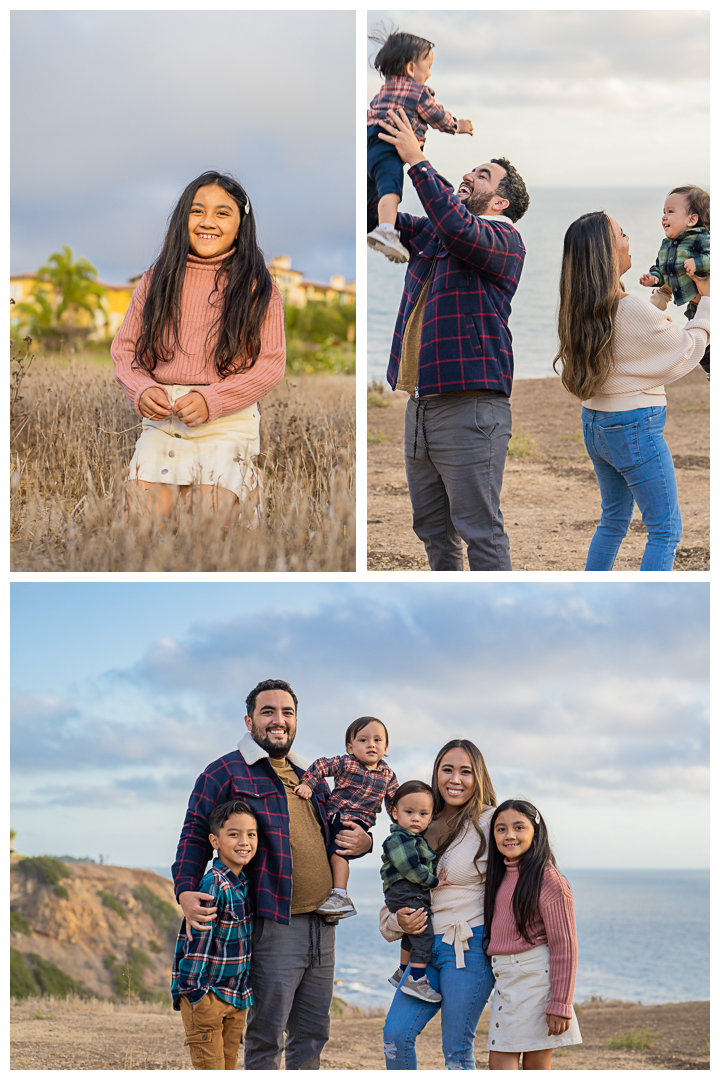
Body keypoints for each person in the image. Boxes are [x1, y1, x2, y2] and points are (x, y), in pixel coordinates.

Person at [172, 678, 372, 1070]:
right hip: (273, 922)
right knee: (267, 1035)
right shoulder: (226, 770)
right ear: (249, 721)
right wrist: (184, 891)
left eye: (287, 712)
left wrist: (363, 842)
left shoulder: (309, 775)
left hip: (323, 921)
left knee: (313, 1033)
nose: (279, 720)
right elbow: (195, 831)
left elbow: (332, 833)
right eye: (268, 711)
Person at [370, 108, 529, 571]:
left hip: (472, 408)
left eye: (483, 176)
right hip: (421, 405)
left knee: (480, 531)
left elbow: (457, 226)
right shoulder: (436, 235)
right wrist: (379, 159)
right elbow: (377, 218)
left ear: (500, 202)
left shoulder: (503, 241)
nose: (469, 175)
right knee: (434, 532)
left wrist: (418, 159)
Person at [111, 170, 286, 524]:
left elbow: (270, 365)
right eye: (196, 210)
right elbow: (125, 351)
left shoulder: (257, 286)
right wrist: (142, 389)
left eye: (223, 213)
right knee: (140, 531)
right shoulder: (156, 278)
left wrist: (212, 400)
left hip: (227, 419)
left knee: (208, 529)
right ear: (182, 219)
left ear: (241, 224)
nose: (208, 222)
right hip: (163, 421)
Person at [553, 211, 710, 571]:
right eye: (622, 234)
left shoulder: (580, 307)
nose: (628, 240)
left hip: (596, 424)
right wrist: (708, 300)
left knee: (612, 524)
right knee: (665, 529)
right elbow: (686, 349)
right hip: (635, 426)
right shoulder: (629, 307)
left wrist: (660, 299)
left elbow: (627, 337)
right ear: (607, 251)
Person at [379, 739, 497, 1069]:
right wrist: (396, 922)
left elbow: (514, 884)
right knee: (395, 1036)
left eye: (466, 771)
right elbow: (395, 888)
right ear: (436, 773)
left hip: (467, 947)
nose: (455, 779)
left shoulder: (490, 822)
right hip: (423, 947)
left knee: (457, 1051)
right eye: (447, 769)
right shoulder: (418, 823)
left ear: (479, 777)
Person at [483, 799, 582, 1070]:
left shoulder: (548, 879)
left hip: (535, 981)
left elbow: (565, 946)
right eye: (501, 829)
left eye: (519, 827)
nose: (509, 835)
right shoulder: (500, 874)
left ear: (535, 832)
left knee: (527, 1066)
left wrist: (560, 1003)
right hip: (507, 980)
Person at [367, 27, 473, 263]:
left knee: (372, 187)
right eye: (429, 68)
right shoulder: (418, 92)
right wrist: (458, 126)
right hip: (387, 145)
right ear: (411, 68)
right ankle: (386, 230)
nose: (430, 75)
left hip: (370, 141)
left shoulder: (384, 90)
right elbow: (437, 117)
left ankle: (378, 225)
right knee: (391, 187)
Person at [172, 799, 257, 1070]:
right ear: (215, 841)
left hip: (235, 997)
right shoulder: (213, 885)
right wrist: (197, 995)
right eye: (234, 834)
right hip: (208, 998)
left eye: (251, 834)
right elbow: (198, 943)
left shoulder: (243, 884)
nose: (244, 841)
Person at [295, 716, 398, 920]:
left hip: (358, 822)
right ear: (350, 747)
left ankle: (340, 894)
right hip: (337, 815)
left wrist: (402, 820)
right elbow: (322, 765)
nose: (371, 744)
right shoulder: (346, 763)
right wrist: (308, 783)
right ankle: (330, 894)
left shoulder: (388, 775)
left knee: (338, 852)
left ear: (386, 748)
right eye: (363, 740)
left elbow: (395, 802)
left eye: (377, 740)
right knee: (329, 851)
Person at [381, 781, 450, 1004]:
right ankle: (416, 978)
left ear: (431, 817)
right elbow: (410, 868)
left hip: (405, 892)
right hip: (406, 891)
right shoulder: (398, 839)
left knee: (411, 935)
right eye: (408, 812)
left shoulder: (416, 840)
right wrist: (434, 881)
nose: (415, 818)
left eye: (423, 814)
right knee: (423, 933)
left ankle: (402, 970)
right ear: (394, 812)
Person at [640, 185, 710, 377]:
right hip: (694, 306)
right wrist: (654, 277)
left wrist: (698, 263)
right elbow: (660, 268)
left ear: (692, 219)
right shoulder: (666, 245)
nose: (664, 217)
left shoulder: (701, 238)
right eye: (663, 212)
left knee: (705, 343)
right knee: (701, 349)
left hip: (709, 302)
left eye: (670, 211)